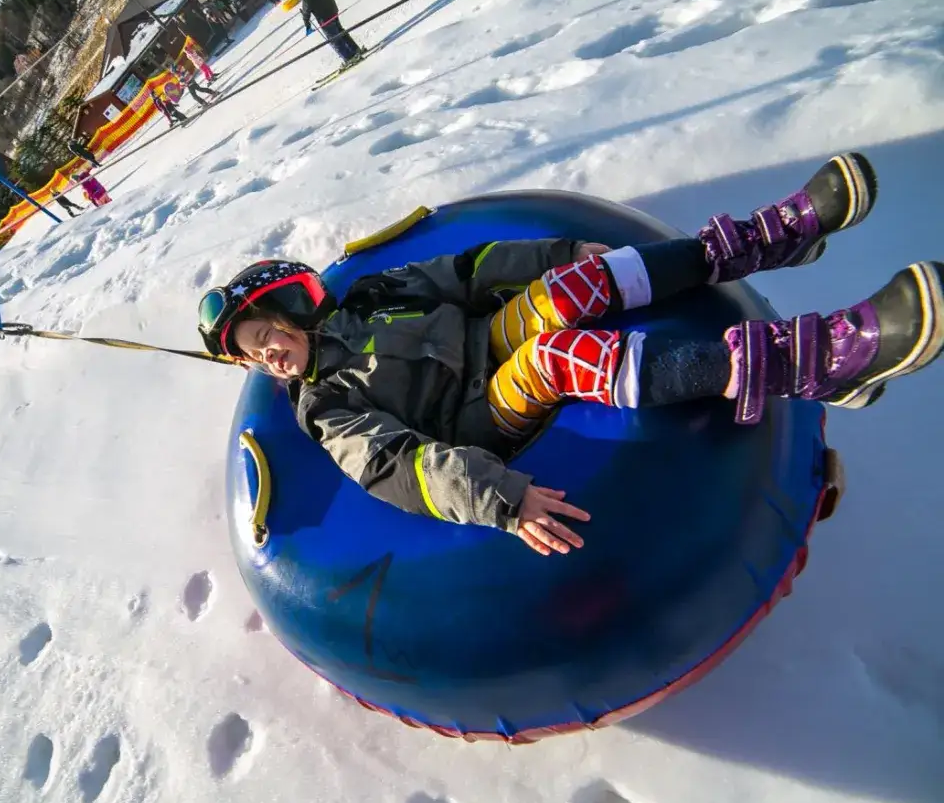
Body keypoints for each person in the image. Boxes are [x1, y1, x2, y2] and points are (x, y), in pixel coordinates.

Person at [197, 154, 944, 556]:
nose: (270, 359)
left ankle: (760, 238)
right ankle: (800, 361)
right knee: (556, 356)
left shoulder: (368, 294)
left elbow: (468, 272)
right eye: (255, 358)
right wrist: (500, 497)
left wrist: (559, 254)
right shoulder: (326, 410)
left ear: (293, 309)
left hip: (486, 341)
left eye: (268, 338)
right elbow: (403, 469)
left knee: (573, 286)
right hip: (479, 415)